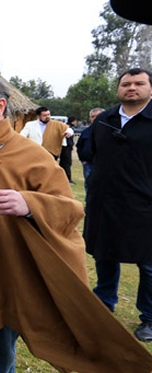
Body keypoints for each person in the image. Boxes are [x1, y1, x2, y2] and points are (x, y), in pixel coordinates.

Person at [0, 72, 152, 372]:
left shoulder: (32, 156)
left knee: (2, 351)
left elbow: (69, 210)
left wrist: (30, 204)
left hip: (7, 273)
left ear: (0, 106)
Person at [85, 68, 152, 343]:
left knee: (148, 264)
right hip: (105, 203)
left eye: (139, 83)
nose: (131, 88)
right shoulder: (104, 120)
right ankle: (103, 302)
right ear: (119, 88)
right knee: (105, 254)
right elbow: (89, 151)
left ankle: (149, 317)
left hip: (145, 206)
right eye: (126, 84)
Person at [76, 107, 104, 193]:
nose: (95, 118)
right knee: (89, 185)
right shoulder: (85, 132)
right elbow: (79, 146)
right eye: (93, 116)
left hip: (104, 165)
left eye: (98, 116)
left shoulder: (111, 131)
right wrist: (83, 160)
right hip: (88, 164)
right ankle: (89, 205)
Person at [58, 116, 77, 184]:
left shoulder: (67, 127)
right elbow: (68, 133)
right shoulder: (68, 128)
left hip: (65, 148)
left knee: (63, 163)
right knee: (67, 163)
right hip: (66, 148)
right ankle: (67, 178)